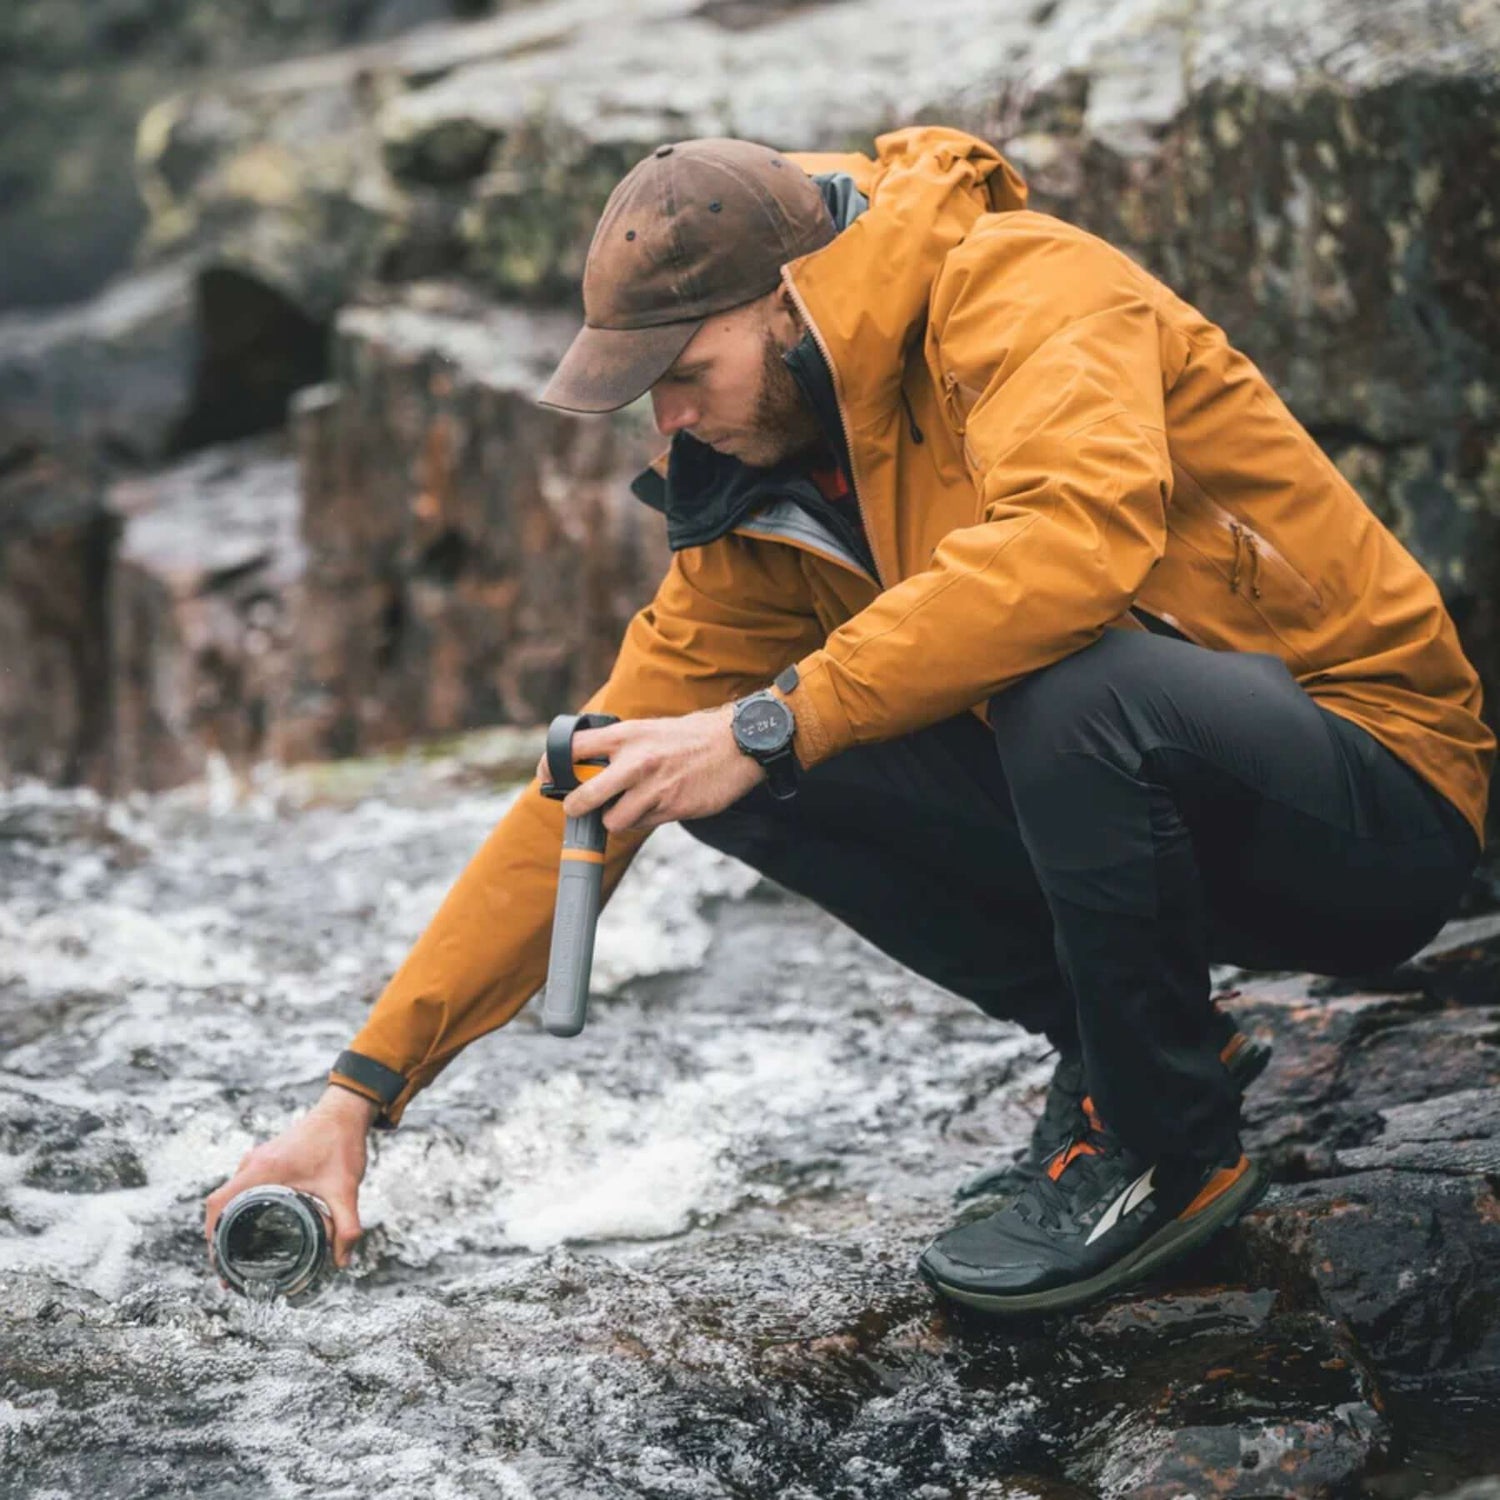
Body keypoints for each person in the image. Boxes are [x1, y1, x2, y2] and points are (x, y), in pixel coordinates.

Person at [206, 128, 1492, 1315]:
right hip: (1173, 820)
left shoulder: (1026, 286)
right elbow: (584, 790)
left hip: (1375, 798)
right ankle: (1130, 1050)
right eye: (645, 391)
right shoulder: (766, 484)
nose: (669, 420)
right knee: (679, 759)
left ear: (785, 301)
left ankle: (1167, 1146)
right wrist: (358, 1097)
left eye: (684, 373)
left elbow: (1071, 546)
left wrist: (772, 721)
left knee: (1039, 684)